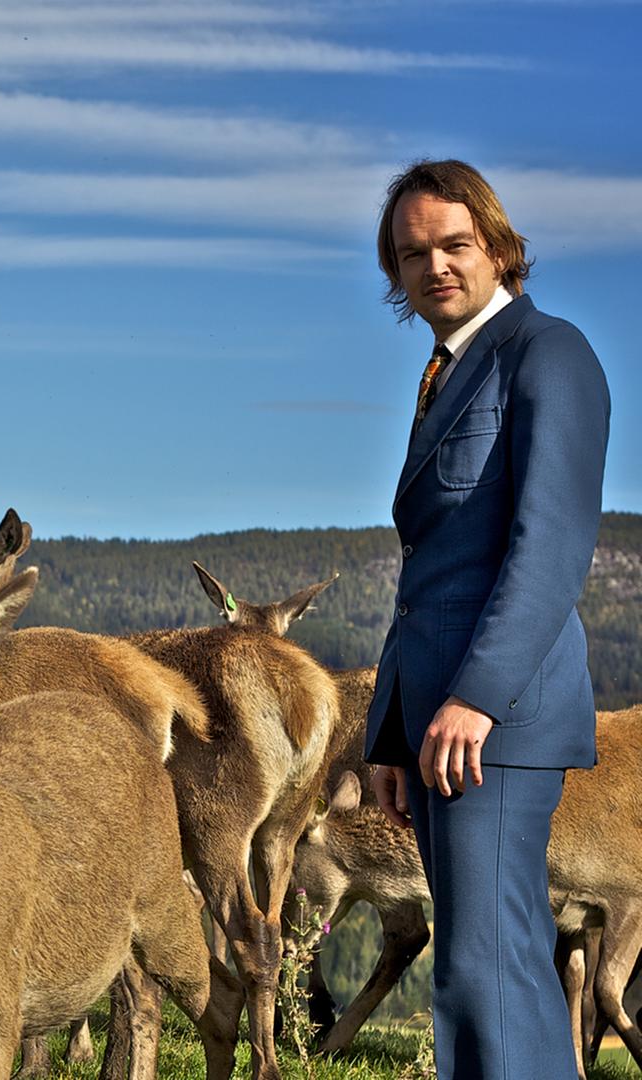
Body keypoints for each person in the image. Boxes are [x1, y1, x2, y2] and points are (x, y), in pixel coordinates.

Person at [365, 159, 610, 1079]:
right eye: (412, 252)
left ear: (498, 246)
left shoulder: (550, 354)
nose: (435, 266)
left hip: (488, 725)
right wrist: (389, 730)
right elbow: (433, 564)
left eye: (455, 244)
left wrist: (475, 699)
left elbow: (548, 551)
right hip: (436, 726)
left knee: (487, 967)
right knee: (480, 962)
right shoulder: (449, 371)